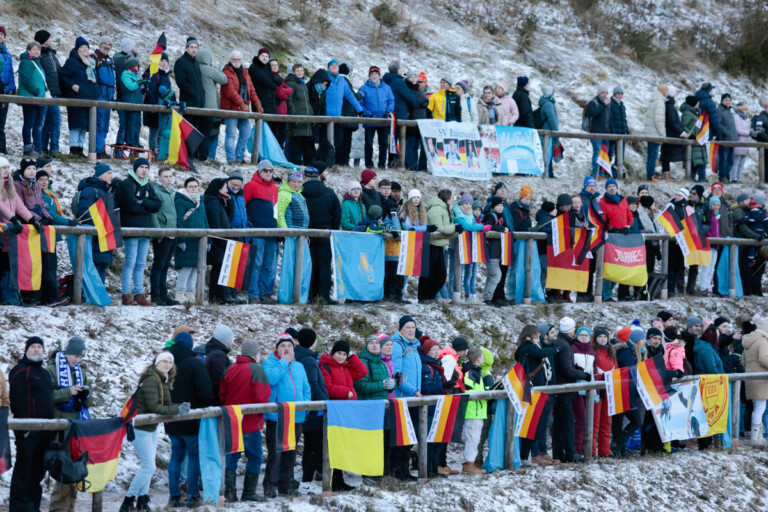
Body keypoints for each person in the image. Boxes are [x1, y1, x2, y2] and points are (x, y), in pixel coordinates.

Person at [120, 352, 186, 512]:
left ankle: (142, 500)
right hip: (140, 427)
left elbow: (165, 404)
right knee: (149, 467)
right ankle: (128, 501)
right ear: (157, 363)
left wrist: (179, 406)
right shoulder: (151, 379)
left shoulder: (162, 379)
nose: (168, 364)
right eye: (164, 361)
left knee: (149, 467)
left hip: (151, 427)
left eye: (170, 362)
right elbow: (154, 407)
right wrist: (177, 409)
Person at [165, 332, 214, 508]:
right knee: (194, 456)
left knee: (176, 456)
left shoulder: (165, 363)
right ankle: (193, 495)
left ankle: (174, 496)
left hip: (171, 417)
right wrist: (208, 405)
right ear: (189, 345)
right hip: (192, 418)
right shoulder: (194, 363)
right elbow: (205, 390)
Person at [220, 339, 270, 502]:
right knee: (255, 457)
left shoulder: (229, 369)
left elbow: (222, 395)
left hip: (231, 422)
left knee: (231, 457)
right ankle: (249, 492)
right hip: (250, 423)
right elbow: (262, 397)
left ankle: (230, 493)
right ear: (255, 354)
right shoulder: (257, 370)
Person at [263, 334, 311, 497]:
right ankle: (269, 483)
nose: (286, 348)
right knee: (275, 452)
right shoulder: (268, 363)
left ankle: (286, 484)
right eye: (282, 346)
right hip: (277, 416)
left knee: (291, 451)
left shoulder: (299, 366)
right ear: (277, 348)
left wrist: (305, 406)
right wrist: (284, 362)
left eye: (289, 346)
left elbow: (306, 388)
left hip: (296, 415)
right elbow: (271, 380)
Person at [9, 337, 54, 512]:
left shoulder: (44, 373)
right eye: (33, 347)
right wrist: (24, 428)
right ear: (26, 350)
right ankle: (19, 508)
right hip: (28, 431)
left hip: (46, 431)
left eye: (39, 347)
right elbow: (16, 401)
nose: (36, 350)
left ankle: (33, 507)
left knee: (38, 472)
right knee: (24, 471)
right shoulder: (20, 370)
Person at [12, 158, 64, 306]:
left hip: (39, 227)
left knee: (46, 262)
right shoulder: (17, 185)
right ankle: (30, 296)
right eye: (29, 169)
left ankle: (48, 296)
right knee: (30, 263)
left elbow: (41, 205)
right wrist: (37, 219)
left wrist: (48, 218)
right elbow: (21, 207)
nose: (32, 171)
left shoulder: (35, 185)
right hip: (26, 227)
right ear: (23, 170)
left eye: (34, 169)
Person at [46, 337, 89, 512]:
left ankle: (70, 508)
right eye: (75, 356)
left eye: (80, 357)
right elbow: (46, 396)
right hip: (58, 427)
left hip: (76, 426)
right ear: (67, 353)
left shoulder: (81, 372)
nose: (78, 360)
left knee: (75, 468)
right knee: (62, 470)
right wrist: (67, 392)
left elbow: (88, 400)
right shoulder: (51, 370)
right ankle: (58, 509)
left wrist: (85, 396)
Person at [319, 340, 367, 490]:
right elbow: (328, 387)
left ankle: (339, 478)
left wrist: (352, 357)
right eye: (338, 353)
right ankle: (334, 479)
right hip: (335, 411)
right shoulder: (325, 366)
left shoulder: (347, 367)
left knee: (342, 444)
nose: (341, 357)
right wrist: (346, 393)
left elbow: (362, 372)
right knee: (334, 445)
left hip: (347, 411)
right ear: (333, 353)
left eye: (344, 354)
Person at [114, 158, 160, 305]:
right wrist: (145, 205)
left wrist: (142, 201)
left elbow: (157, 205)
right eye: (141, 167)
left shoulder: (148, 185)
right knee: (130, 262)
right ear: (135, 168)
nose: (144, 170)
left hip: (145, 229)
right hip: (131, 228)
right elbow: (131, 206)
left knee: (141, 264)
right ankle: (126, 293)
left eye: (146, 167)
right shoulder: (127, 184)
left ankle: (139, 294)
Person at [516, 325, 560, 466]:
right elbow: (540, 353)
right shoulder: (527, 347)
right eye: (536, 333)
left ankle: (534, 454)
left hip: (540, 390)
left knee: (539, 425)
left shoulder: (535, 346)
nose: (539, 335)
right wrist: (558, 349)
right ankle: (529, 455)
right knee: (532, 424)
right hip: (532, 390)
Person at [293, 329, 328, 493]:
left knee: (310, 444)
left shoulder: (299, 356)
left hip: (309, 408)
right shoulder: (308, 360)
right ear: (313, 342)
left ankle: (306, 479)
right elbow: (313, 385)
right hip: (315, 409)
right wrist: (325, 400)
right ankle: (307, 480)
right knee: (316, 445)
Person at [552, 317, 590, 463]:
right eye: (574, 328)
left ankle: (558, 453)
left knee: (559, 422)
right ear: (570, 329)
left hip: (559, 387)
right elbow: (566, 369)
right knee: (567, 422)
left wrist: (576, 369)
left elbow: (565, 365)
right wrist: (583, 374)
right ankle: (570, 453)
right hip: (564, 389)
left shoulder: (560, 341)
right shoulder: (564, 344)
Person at [243, 161, 279, 304]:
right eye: (265, 170)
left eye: (271, 170)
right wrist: (248, 225)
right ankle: (253, 294)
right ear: (259, 171)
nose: (268, 173)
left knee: (269, 266)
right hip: (257, 231)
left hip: (272, 233)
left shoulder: (274, 188)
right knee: (256, 265)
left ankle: (265, 293)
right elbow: (243, 205)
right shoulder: (250, 185)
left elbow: (276, 210)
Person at [390, 316, 422, 480]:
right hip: (403, 397)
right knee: (402, 436)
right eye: (408, 327)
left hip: (414, 398)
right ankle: (398, 471)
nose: (411, 330)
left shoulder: (414, 346)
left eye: (413, 327)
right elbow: (397, 373)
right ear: (401, 329)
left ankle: (405, 470)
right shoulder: (397, 346)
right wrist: (412, 390)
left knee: (410, 436)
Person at [220, 50, 261, 164]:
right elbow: (230, 92)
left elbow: (251, 90)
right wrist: (242, 104)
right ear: (230, 60)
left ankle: (239, 157)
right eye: (234, 59)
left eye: (238, 59)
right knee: (231, 134)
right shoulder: (226, 72)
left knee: (246, 133)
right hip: (230, 110)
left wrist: (257, 103)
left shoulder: (245, 73)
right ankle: (231, 159)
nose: (236, 62)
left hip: (243, 110)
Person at [60, 36, 98, 157]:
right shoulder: (72, 61)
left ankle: (80, 149)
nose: (85, 49)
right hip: (76, 98)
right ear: (77, 49)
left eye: (87, 47)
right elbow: (62, 76)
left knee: (84, 126)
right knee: (76, 125)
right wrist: (72, 85)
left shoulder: (89, 63)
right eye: (82, 47)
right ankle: (74, 149)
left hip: (88, 99)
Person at [146, 165, 178, 305]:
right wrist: (158, 232)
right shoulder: (156, 191)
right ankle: (156, 295)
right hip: (162, 233)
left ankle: (164, 295)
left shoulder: (170, 192)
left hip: (172, 232)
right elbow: (153, 213)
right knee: (159, 265)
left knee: (165, 265)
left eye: (170, 176)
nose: (169, 179)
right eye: (166, 177)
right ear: (159, 178)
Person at [612, 330, 647, 457]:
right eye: (642, 339)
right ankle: (617, 445)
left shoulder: (635, 352)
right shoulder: (627, 353)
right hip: (622, 390)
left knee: (623, 421)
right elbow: (632, 372)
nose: (644, 341)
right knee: (633, 420)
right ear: (637, 340)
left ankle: (618, 447)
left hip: (627, 391)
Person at [174, 38, 209, 161]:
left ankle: (194, 155)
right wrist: (193, 93)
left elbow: (199, 83)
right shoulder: (181, 62)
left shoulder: (195, 62)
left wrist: (201, 96)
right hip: (188, 102)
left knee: (197, 129)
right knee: (189, 129)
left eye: (196, 47)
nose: (194, 50)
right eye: (191, 47)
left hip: (199, 103)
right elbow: (181, 82)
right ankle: (187, 156)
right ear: (186, 48)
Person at [421, 190, 459, 304]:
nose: (453, 199)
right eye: (451, 197)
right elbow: (439, 227)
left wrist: (454, 226)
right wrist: (455, 228)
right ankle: (424, 297)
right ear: (446, 198)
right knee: (430, 272)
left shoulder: (443, 208)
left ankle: (430, 296)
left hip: (439, 244)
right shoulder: (436, 209)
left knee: (440, 274)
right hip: (431, 243)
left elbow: (445, 226)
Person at [173, 177, 206, 303]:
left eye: (195, 186)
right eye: (191, 186)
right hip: (187, 240)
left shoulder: (200, 201)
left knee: (195, 268)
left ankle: (191, 292)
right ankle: (180, 292)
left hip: (199, 240)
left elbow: (205, 220)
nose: (193, 189)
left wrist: (208, 240)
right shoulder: (180, 201)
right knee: (186, 267)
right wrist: (181, 239)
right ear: (186, 188)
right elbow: (179, 220)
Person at [599, 178, 633, 301]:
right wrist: (611, 228)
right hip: (611, 238)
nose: (612, 188)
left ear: (617, 188)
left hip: (623, 238)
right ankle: (606, 294)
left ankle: (609, 291)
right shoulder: (603, 202)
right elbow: (602, 220)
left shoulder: (623, 200)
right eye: (609, 186)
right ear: (606, 189)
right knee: (610, 266)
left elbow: (629, 216)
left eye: (613, 186)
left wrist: (628, 226)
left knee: (619, 266)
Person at [204, 177, 236, 304]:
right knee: (218, 268)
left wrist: (230, 201)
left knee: (221, 267)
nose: (226, 190)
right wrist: (222, 238)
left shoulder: (219, 200)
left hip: (222, 238)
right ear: (217, 188)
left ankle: (220, 296)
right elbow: (215, 222)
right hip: (218, 239)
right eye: (224, 187)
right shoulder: (212, 201)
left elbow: (229, 217)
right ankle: (215, 297)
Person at [359, 66, 395, 169]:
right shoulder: (363, 88)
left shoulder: (387, 88)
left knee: (383, 144)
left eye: (376, 74)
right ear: (369, 76)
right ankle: (369, 164)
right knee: (369, 143)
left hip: (383, 120)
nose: (374, 76)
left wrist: (388, 111)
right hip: (370, 120)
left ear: (379, 75)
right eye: (372, 74)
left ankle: (382, 164)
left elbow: (391, 100)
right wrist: (368, 114)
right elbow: (360, 103)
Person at [461, 348, 489, 474]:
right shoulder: (471, 372)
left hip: (477, 410)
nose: (483, 359)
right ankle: (468, 463)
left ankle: (470, 462)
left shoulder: (476, 371)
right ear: (478, 359)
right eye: (482, 357)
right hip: (473, 410)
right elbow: (467, 389)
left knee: (475, 438)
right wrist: (481, 395)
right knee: (472, 438)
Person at [197, 48, 227, 160]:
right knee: (208, 133)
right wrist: (214, 67)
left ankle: (196, 155)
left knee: (198, 131)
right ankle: (204, 157)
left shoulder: (195, 68)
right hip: (210, 107)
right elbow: (224, 79)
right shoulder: (209, 70)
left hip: (197, 105)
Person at [18, 41, 47, 157]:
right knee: (29, 123)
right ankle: (27, 147)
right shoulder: (26, 62)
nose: (36, 52)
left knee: (36, 123)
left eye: (38, 50)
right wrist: (36, 90)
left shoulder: (37, 62)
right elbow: (26, 79)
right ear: (28, 50)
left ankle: (36, 148)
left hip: (37, 98)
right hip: (30, 97)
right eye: (34, 49)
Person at [742, 314, 768, 446]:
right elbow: (764, 358)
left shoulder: (749, 340)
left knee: (756, 407)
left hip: (751, 377)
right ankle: (756, 438)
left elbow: (743, 360)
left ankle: (758, 436)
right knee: (760, 408)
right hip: (761, 378)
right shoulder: (762, 341)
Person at [36, 30, 62, 156]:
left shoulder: (51, 55)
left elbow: (58, 72)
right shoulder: (40, 55)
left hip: (53, 93)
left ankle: (49, 148)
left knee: (52, 122)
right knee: (52, 121)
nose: (52, 39)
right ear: (44, 40)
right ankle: (50, 148)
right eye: (50, 37)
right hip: (46, 93)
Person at [571, 327, 596, 457]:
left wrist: (596, 390)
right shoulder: (573, 349)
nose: (584, 337)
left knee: (587, 420)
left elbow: (594, 371)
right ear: (577, 336)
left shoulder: (592, 352)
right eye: (581, 335)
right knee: (580, 418)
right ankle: (577, 448)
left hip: (589, 387)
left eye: (586, 335)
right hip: (577, 388)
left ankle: (584, 448)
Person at [591, 327, 615, 457]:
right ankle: (591, 450)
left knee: (606, 421)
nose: (602, 339)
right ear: (595, 338)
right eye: (600, 336)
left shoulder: (611, 352)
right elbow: (593, 371)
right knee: (595, 421)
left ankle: (605, 450)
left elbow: (615, 369)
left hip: (609, 390)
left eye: (605, 337)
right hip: (597, 389)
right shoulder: (593, 352)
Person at [483, 196, 510, 307]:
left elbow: (507, 227)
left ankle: (487, 298)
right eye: (498, 205)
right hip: (491, 251)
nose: (500, 207)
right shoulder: (490, 216)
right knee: (496, 275)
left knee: (492, 275)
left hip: (497, 251)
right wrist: (502, 229)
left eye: (502, 205)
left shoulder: (501, 217)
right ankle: (488, 298)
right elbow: (488, 227)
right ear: (493, 206)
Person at [285, 64, 314, 165]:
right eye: (297, 71)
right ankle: (295, 163)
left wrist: (311, 113)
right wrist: (293, 116)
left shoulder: (303, 84)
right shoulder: (291, 84)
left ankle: (306, 163)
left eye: (301, 71)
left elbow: (307, 102)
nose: (300, 73)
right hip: (297, 118)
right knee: (296, 143)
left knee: (305, 143)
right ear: (293, 72)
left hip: (306, 119)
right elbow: (289, 101)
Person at [91, 37, 115, 158]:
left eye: (109, 44)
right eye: (105, 44)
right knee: (99, 124)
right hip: (100, 96)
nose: (107, 46)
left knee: (105, 125)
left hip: (108, 96)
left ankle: (101, 149)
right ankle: (98, 150)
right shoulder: (95, 58)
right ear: (100, 44)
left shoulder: (109, 60)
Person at [404, 71, 430, 170]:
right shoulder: (408, 89)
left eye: (415, 77)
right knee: (410, 144)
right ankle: (410, 166)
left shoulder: (416, 89)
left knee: (415, 145)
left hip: (420, 121)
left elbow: (425, 101)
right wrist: (422, 104)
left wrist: (423, 104)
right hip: (412, 120)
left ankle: (414, 165)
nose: (414, 79)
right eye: (411, 77)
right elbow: (416, 101)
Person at [659, 86, 687, 178]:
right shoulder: (670, 106)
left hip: (669, 133)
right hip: (670, 134)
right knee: (666, 155)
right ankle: (666, 175)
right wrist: (681, 132)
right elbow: (672, 122)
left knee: (666, 155)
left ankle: (667, 174)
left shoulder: (668, 105)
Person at [642, 84, 668, 182]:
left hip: (650, 132)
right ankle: (650, 176)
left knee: (651, 155)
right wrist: (662, 134)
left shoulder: (653, 101)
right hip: (655, 133)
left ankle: (650, 175)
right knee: (653, 155)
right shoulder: (660, 102)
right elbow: (658, 120)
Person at [680, 95, 708, 181]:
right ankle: (692, 177)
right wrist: (690, 135)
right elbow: (683, 125)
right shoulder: (687, 113)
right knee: (694, 160)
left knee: (700, 160)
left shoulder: (696, 112)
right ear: (694, 103)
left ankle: (700, 177)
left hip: (698, 139)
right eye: (697, 102)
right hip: (692, 139)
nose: (698, 104)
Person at [586, 85, 612, 177]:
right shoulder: (593, 103)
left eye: (606, 93)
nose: (605, 94)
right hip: (596, 132)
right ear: (598, 93)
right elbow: (593, 113)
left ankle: (602, 173)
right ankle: (595, 173)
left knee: (605, 153)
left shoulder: (608, 104)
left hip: (606, 133)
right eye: (602, 92)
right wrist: (603, 105)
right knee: (597, 152)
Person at [204, 324, 234, 404]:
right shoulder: (219, 356)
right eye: (231, 338)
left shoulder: (214, 353)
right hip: (218, 404)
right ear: (226, 340)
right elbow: (219, 382)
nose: (232, 341)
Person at [0, 27, 16, 154]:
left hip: (5, 90)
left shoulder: (7, 54)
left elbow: (10, 72)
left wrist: (12, 88)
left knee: (2, 121)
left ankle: (1, 147)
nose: (0, 36)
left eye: (1, 34)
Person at [539, 85, 559, 177]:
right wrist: (557, 134)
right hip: (548, 133)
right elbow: (552, 120)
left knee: (546, 154)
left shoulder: (546, 103)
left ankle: (546, 174)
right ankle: (545, 175)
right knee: (547, 154)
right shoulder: (549, 105)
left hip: (546, 133)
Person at [717, 93, 737, 182]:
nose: (728, 102)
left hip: (732, 139)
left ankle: (727, 176)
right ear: (722, 101)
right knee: (724, 159)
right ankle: (722, 176)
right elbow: (719, 124)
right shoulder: (719, 110)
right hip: (724, 139)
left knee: (730, 160)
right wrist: (726, 132)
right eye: (726, 100)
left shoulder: (730, 111)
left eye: (729, 100)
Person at [609, 86, 628, 173]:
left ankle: (617, 172)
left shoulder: (622, 105)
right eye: (618, 93)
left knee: (620, 156)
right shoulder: (610, 104)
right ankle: (606, 172)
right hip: (612, 134)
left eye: (621, 94)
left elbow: (624, 119)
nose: (620, 95)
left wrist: (626, 130)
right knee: (609, 154)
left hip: (622, 134)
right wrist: (612, 131)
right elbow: (610, 120)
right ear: (614, 94)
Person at [732, 101, 751, 183]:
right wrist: (749, 133)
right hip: (738, 142)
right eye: (746, 109)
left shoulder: (744, 118)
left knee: (741, 163)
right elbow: (738, 130)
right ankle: (734, 178)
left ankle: (739, 178)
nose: (747, 111)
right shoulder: (736, 117)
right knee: (736, 162)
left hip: (744, 143)